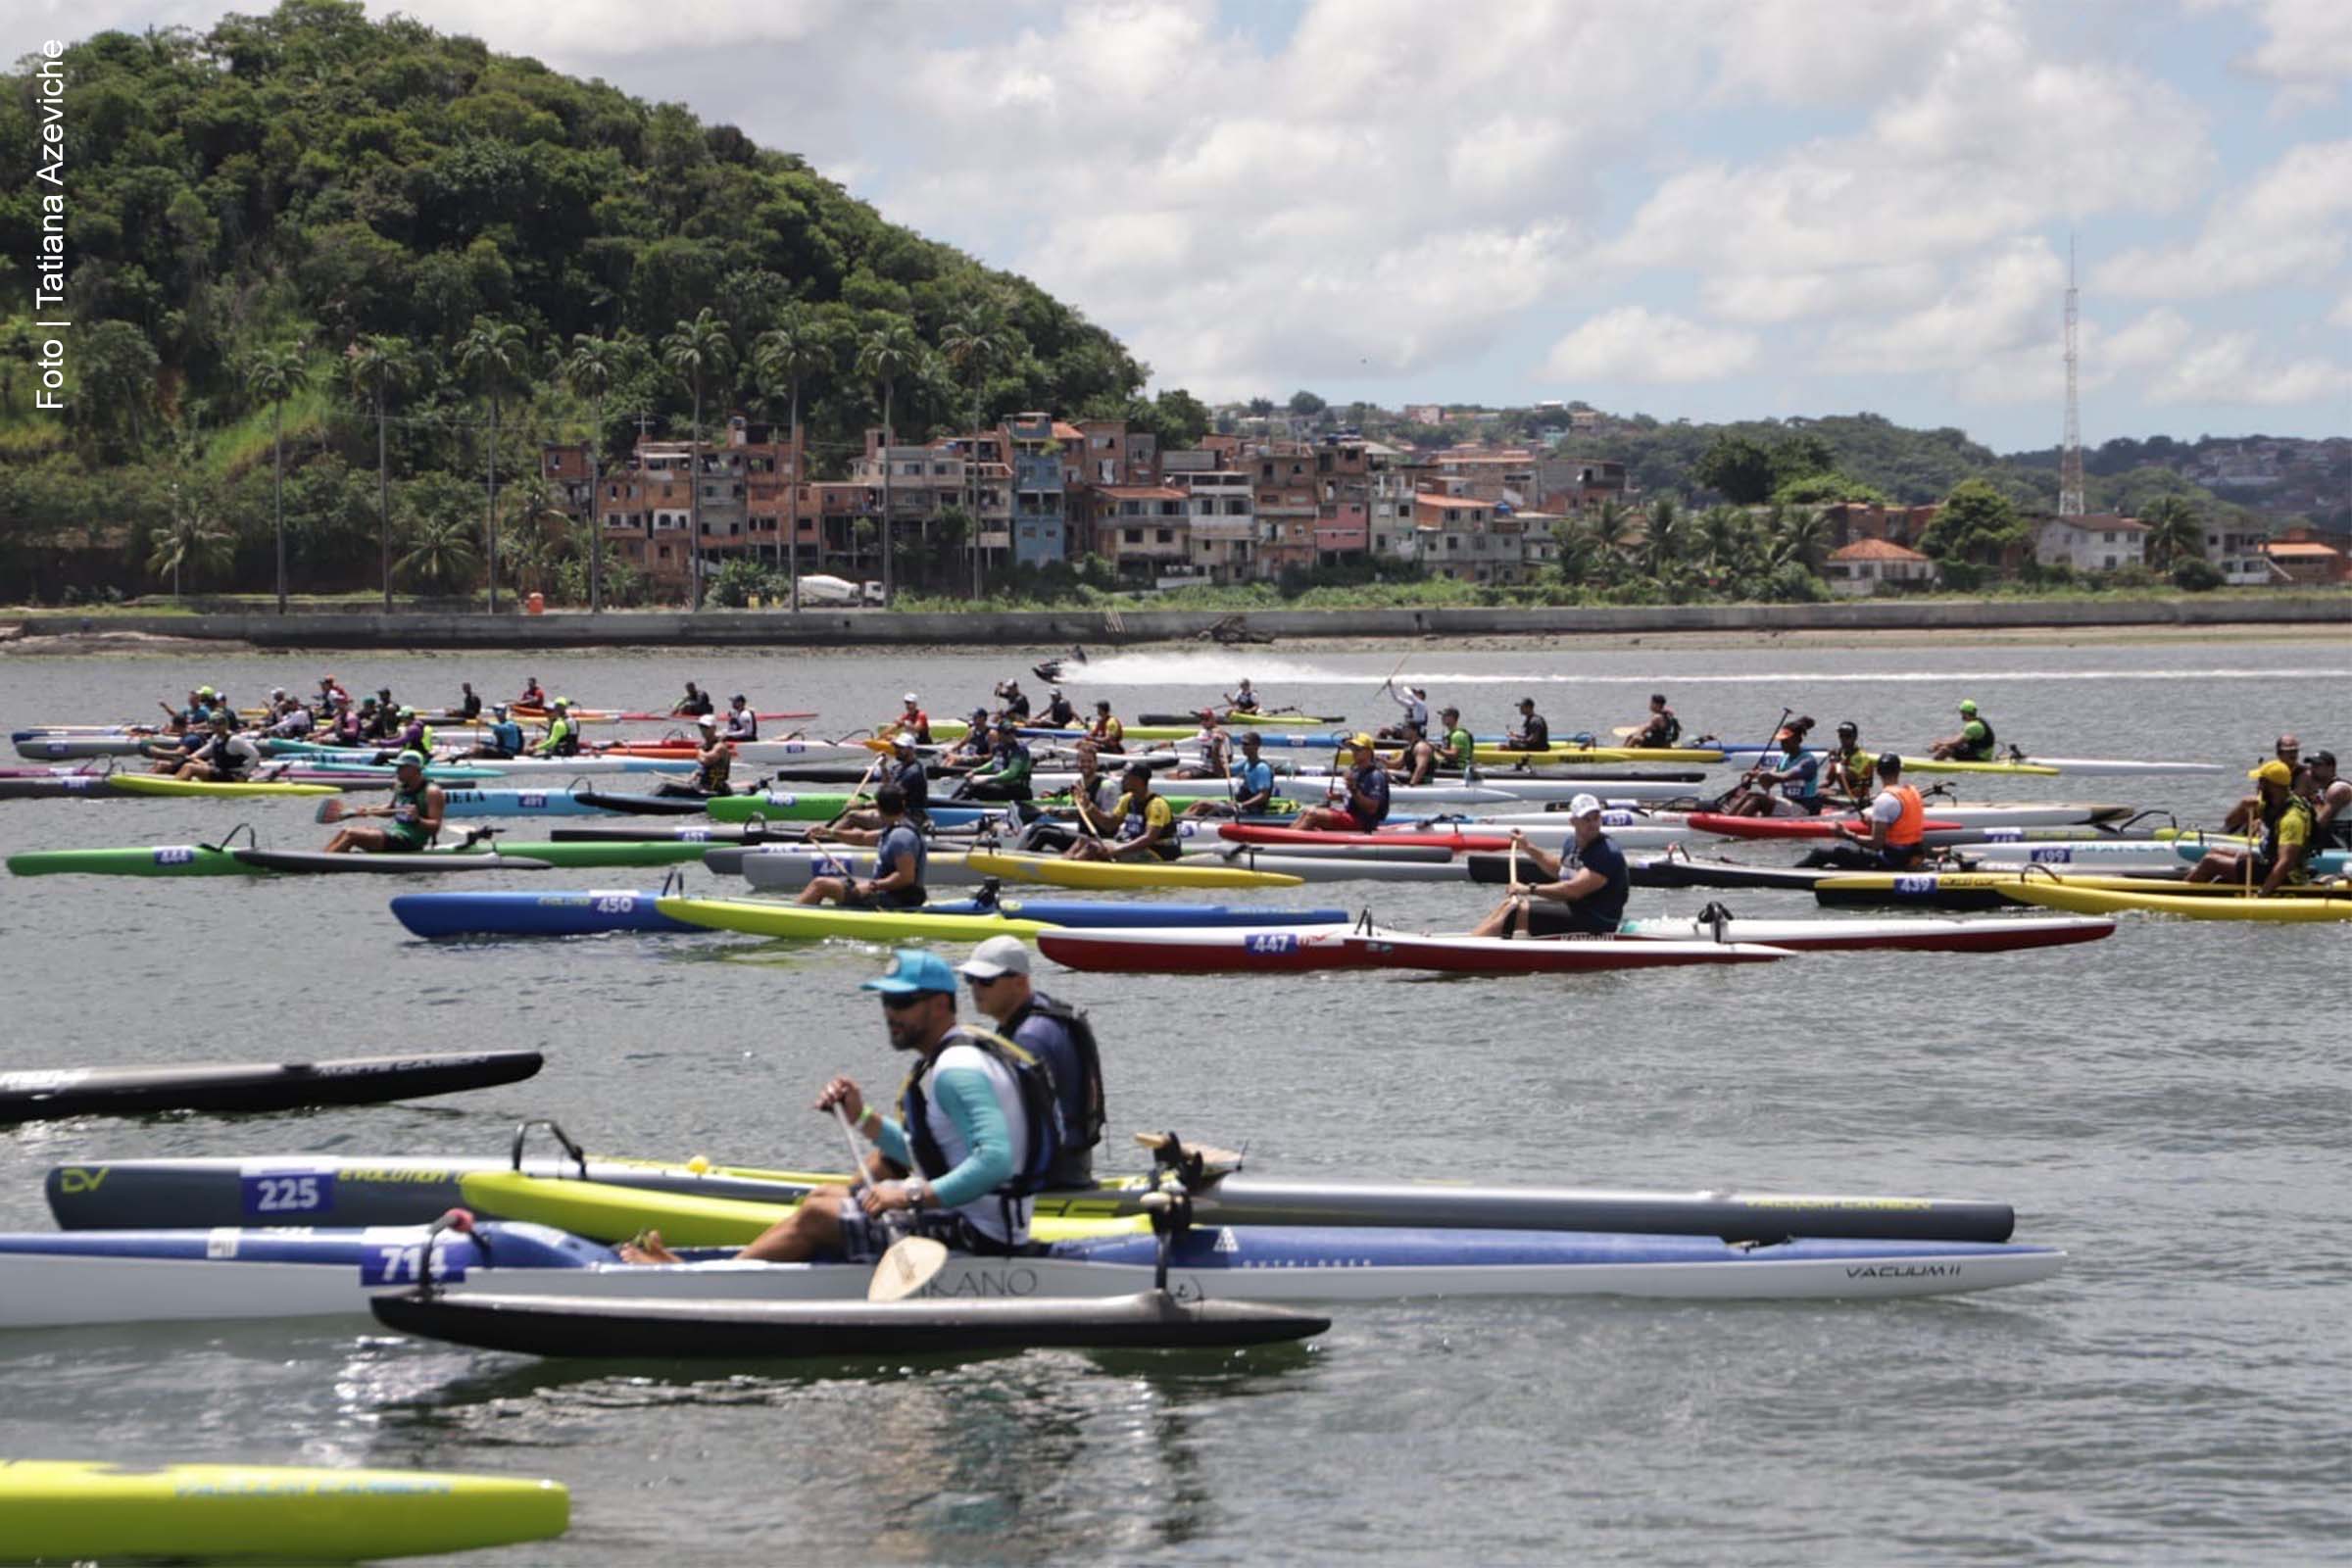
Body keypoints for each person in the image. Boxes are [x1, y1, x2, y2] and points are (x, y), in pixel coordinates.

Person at [622, 949, 1054, 1265]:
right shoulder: (952, 1057)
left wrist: (906, 1193)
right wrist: (861, 1118)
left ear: (940, 1004)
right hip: (972, 1218)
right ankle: (741, 1268)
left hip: (983, 1235)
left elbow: (995, 1161)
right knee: (824, 1195)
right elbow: (933, 1154)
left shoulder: (956, 1068)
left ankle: (708, 1283)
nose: (890, 1013)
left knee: (816, 1214)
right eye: (886, 1001)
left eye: (902, 1003)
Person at [957, 936, 1104, 1189]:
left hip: (1050, 1178)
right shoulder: (1041, 1014)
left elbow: (1025, 1124)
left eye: (986, 980)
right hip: (1072, 1165)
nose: (976, 988)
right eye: (970, 979)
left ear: (1020, 982)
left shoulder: (1029, 1038)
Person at [1467, 795, 1629, 939]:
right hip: (1575, 911)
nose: (1593, 824)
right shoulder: (1571, 843)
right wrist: (1527, 847)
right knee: (1509, 905)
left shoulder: (1606, 852)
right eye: (1586, 819)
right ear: (1573, 822)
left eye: (1596, 818)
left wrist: (1529, 889)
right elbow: (1559, 870)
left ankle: (1470, 951)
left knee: (1518, 911)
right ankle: (1472, 941)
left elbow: (1573, 890)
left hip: (1598, 922)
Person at [2187, 760, 2316, 892]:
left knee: (2211, 862)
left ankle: (2183, 896)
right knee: (2215, 851)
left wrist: (2263, 893)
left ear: (2271, 786)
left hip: (2286, 876)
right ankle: (2195, 887)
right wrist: (2243, 805)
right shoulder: (2272, 803)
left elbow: (2286, 863)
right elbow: (2230, 821)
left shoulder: (2292, 819)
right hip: (2269, 862)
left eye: (2261, 782)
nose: (2258, 786)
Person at [798, 783, 927, 907]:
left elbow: (905, 878)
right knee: (836, 881)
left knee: (821, 885)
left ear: (878, 807)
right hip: (888, 892)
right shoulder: (895, 829)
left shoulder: (901, 836)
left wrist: (873, 886)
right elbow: (861, 837)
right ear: (902, 804)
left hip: (897, 900)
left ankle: (795, 916)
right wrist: (828, 832)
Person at [324, 751, 445, 854]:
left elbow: (436, 827)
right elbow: (390, 809)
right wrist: (368, 810)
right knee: (345, 831)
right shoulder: (400, 786)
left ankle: (325, 864)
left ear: (414, 769)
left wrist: (417, 819)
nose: (397, 770)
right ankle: (321, 859)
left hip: (410, 841)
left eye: (401, 767)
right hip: (393, 832)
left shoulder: (432, 792)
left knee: (352, 834)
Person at [1069, 760, 1179, 860]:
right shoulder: (1127, 799)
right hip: (1136, 847)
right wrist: (1089, 806)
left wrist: (1116, 850)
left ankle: (1071, 871)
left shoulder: (1156, 804)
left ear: (1138, 780)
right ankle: (1067, 865)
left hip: (1158, 852)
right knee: (1088, 843)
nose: (1122, 779)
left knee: (1095, 849)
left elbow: (1149, 838)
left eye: (1126, 776)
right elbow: (1109, 824)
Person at [1292, 733, 1390, 832]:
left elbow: (1372, 808)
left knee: (1313, 814)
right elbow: (1353, 798)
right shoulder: (1356, 771)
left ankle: (1290, 840)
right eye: (1353, 749)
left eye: (1358, 749)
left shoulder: (1375, 776)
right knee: (1306, 811)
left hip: (1363, 823)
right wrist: (1338, 797)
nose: (1354, 752)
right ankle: (1287, 836)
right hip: (1351, 816)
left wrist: (1353, 788)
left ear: (1369, 752)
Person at [1723, 726, 1823, 816]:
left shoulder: (1808, 761)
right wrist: (1756, 775)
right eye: (1781, 742)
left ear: (1797, 740)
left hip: (1805, 808)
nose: (1782, 744)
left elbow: (1784, 776)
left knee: (1758, 799)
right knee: (1750, 795)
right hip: (1789, 804)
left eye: (1786, 741)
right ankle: (1730, 818)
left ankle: (1737, 824)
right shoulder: (1784, 758)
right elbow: (1770, 777)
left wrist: (1765, 775)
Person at [1185, 729, 1276, 818]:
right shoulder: (1246, 763)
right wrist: (1216, 749)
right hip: (1239, 805)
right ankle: (1180, 819)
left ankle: (1181, 824)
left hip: (1250, 810)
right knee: (1197, 803)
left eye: (1246, 744)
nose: (1243, 747)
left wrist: (1241, 805)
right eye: (1242, 744)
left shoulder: (1262, 768)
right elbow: (1220, 771)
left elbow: (1263, 796)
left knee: (1203, 805)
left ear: (1256, 746)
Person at [1858, 752, 1929, 869]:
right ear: (1899, 771)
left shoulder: (1883, 800)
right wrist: (1872, 823)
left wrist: (1847, 834)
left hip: (1892, 860)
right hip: (1914, 853)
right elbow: (1901, 825)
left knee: (1828, 851)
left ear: (1878, 772)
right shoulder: (1913, 791)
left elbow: (1876, 844)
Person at [2225, 734, 2301, 834]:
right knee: (2244, 809)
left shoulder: (2304, 776)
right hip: (2268, 809)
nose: (2293, 755)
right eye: (2289, 752)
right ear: (2279, 753)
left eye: (2295, 751)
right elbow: (2261, 796)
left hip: (2285, 818)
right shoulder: (2270, 770)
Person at [959, 720, 1036, 803]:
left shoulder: (1019, 750)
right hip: (1004, 787)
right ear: (1000, 734)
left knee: (975, 787)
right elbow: (993, 764)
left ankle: (955, 807)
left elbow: (1011, 773)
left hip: (1018, 791)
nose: (1011, 735)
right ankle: (951, 804)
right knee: (968, 784)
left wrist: (988, 780)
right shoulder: (1000, 747)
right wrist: (974, 771)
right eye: (1007, 733)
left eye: (1013, 732)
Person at [172, 713, 261, 782]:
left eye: (219, 724)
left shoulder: (234, 740)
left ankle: (174, 786)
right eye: (214, 724)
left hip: (233, 774)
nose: (216, 727)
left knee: (190, 767)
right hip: (219, 771)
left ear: (226, 725)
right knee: (187, 763)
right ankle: (177, 781)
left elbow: (255, 755)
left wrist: (244, 775)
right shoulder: (215, 738)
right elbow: (205, 750)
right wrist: (192, 756)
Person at [2306, 750, 2350, 850]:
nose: (2312, 770)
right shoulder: (2322, 791)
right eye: (2311, 765)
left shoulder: (2338, 789)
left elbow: (2319, 824)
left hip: (2345, 851)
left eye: (2317, 766)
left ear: (2331, 768)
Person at [1822, 721, 1873, 803]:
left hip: (1858, 798)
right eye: (1841, 736)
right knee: (1817, 793)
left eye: (1848, 736)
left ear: (1855, 738)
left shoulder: (1861, 757)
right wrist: (1813, 788)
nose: (1844, 739)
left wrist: (1836, 762)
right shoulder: (1840, 753)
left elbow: (1850, 776)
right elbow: (1828, 781)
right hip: (1844, 795)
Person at [1173, 710, 1230, 780]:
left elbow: (1229, 757)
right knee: (1170, 775)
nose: (1203, 722)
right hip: (1203, 766)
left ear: (1213, 719)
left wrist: (1172, 743)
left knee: (1183, 776)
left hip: (1213, 769)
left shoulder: (1220, 734)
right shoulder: (1203, 732)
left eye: (1206, 719)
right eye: (1201, 719)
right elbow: (1196, 743)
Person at [1931, 700, 1995, 762]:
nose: (1961, 715)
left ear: (1966, 713)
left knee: (1945, 749)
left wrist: (1939, 744)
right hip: (1977, 752)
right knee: (1947, 747)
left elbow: (1956, 743)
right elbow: (1955, 738)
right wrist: (1940, 742)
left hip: (1980, 757)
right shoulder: (1977, 722)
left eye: (1962, 713)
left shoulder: (1973, 726)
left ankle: (1933, 766)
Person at [688, 712, 733, 796]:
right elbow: (704, 768)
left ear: (714, 728)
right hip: (702, 788)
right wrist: (696, 773)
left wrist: (699, 750)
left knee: (667, 788)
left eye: (706, 727)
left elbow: (706, 760)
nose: (703, 730)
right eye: (701, 726)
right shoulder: (706, 746)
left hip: (716, 790)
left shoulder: (720, 747)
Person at [1390, 719, 1439, 787]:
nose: (1403, 731)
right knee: (1384, 772)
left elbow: (1421, 767)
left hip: (1423, 781)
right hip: (1412, 776)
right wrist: (1381, 761)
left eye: (1405, 728)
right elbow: (1397, 765)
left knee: (1384, 774)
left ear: (1415, 731)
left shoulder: (1421, 747)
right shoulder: (1409, 747)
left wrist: (1412, 784)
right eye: (1403, 728)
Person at [1435, 706, 1477, 775]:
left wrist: (1437, 749)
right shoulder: (1451, 733)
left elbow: (1453, 755)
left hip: (1458, 769)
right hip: (1455, 766)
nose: (1442, 718)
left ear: (1453, 718)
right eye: (1442, 716)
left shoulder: (1457, 735)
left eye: (1445, 716)